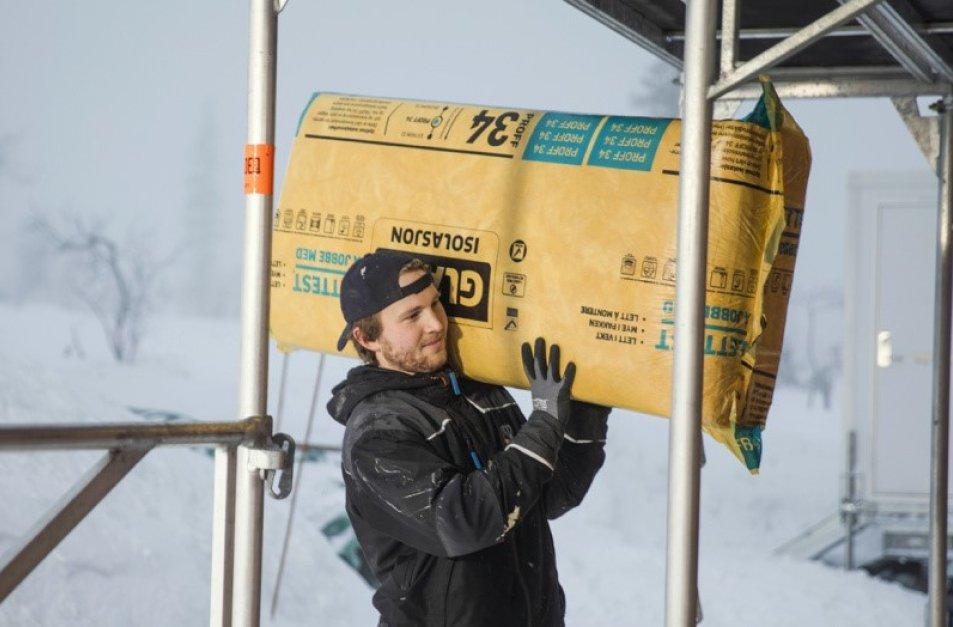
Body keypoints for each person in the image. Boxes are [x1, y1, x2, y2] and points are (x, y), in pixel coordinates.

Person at [327, 250, 610, 626]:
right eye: (412, 316)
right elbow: (466, 520)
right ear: (367, 338)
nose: (435, 323)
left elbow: (547, 497)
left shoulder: (476, 395)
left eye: (436, 304)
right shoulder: (378, 435)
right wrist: (544, 421)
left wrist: (586, 414)